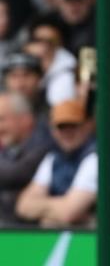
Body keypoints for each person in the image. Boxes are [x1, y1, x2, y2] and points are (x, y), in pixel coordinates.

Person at [16, 100, 97, 227]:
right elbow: (22, 206)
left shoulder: (96, 158)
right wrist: (59, 209)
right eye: (61, 127)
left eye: (73, 125)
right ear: (52, 129)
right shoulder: (53, 158)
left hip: (91, 236)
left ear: (87, 125)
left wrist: (44, 210)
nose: (67, 132)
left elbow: (69, 212)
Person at [0, 92, 51, 225]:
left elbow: (15, 173)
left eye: (2, 119)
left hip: (29, 229)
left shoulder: (43, 144)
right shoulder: (10, 147)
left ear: (25, 120)